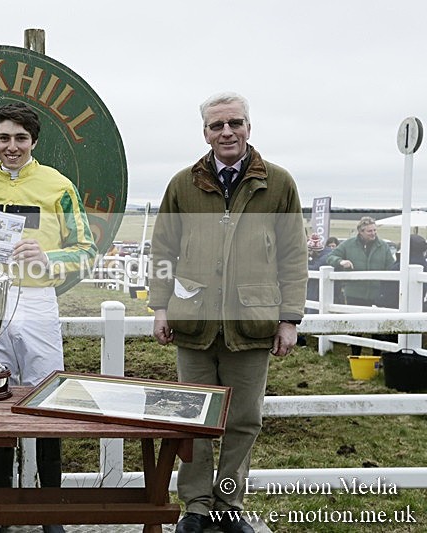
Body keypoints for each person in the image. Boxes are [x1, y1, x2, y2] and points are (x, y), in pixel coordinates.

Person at [148, 92, 307, 533]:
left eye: (234, 123)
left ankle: (228, 503)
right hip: (193, 323)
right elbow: (162, 249)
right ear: (205, 133)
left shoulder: (278, 184)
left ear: (248, 128)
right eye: (217, 126)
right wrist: (160, 307)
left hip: (252, 324)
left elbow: (294, 256)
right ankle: (196, 505)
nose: (226, 132)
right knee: (193, 417)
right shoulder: (183, 184)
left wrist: (289, 318)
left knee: (242, 420)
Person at [0, 102, 97, 533]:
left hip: (39, 300)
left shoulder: (58, 185)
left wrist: (49, 257)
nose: (12, 147)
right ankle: (0, 510)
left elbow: (87, 250)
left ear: (34, 142)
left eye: (20, 139)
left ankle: (50, 514)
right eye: (4, 139)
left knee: (50, 401)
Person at [325, 216, 395, 355]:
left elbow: (391, 267)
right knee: (356, 326)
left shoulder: (383, 246)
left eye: (374, 230)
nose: (373, 233)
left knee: (377, 327)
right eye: (369, 231)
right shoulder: (348, 244)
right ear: (360, 231)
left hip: (376, 293)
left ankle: (377, 358)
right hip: (354, 293)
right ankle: (355, 355)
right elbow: (330, 257)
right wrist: (341, 262)